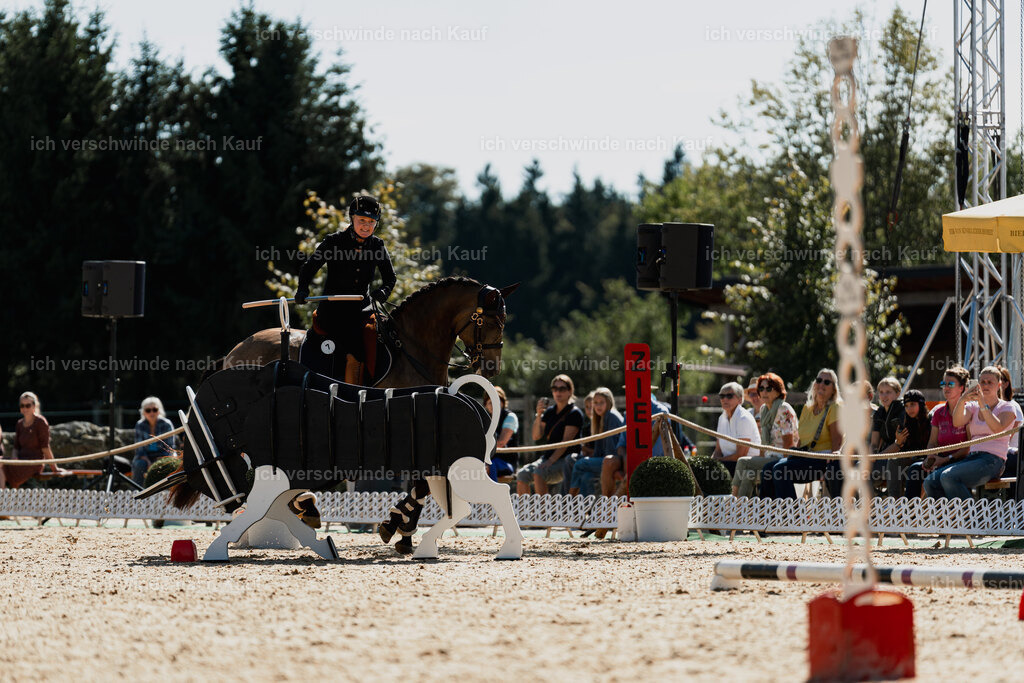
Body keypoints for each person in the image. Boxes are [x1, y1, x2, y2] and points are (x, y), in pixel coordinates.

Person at [295, 195, 396, 383]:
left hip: (361, 310)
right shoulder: (334, 241)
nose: (366, 226)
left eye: (371, 222)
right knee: (355, 348)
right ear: (352, 219)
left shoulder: (377, 245)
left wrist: (383, 292)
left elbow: (390, 278)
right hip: (333, 310)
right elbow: (309, 267)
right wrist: (302, 289)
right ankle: (350, 395)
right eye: (362, 221)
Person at [924, 365, 1016, 500]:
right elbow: (957, 421)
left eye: (990, 382)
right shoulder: (974, 406)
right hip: (973, 458)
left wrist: (982, 404)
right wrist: (963, 400)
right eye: (982, 382)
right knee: (930, 481)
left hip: (993, 461)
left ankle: (970, 519)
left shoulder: (1008, 407)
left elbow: (997, 428)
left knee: (948, 477)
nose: (985, 385)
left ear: (999, 385)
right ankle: (949, 518)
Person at [769, 369, 845, 498]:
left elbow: (837, 441)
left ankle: (791, 515)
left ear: (833, 389)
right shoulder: (807, 408)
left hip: (821, 460)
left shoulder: (835, 407)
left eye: (827, 382)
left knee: (779, 470)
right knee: (768, 469)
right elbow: (801, 439)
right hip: (804, 456)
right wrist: (792, 456)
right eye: (819, 380)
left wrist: (833, 462)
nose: (821, 384)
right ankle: (767, 514)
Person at [516, 374, 584, 495]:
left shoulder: (574, 413)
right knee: (522, 475)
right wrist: (538, 415)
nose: (558, 392)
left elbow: (565, 443)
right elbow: (536, 436)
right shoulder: (549, 412)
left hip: (567, 460)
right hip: (547, 458)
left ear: (570, 391)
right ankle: (524, 512)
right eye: (555, 388)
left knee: (539, 473)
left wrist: (550, 461)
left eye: (562, 389)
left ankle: (544, 512)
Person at [733, 372, 797, 497]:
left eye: (769, 388)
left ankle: (731, 501)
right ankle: (739, 512)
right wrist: (761, 458)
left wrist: (783, 470)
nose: (764, 392)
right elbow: (763, 443)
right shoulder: (764, 410)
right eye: (761, 389)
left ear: (778, 391)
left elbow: (789, 445)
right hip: (768, 457)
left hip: (781, 460)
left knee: (742, 461)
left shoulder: (784, 409)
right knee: (748, 475)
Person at [569, 387, 624, 496]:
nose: (598, 406)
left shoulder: (611, 416)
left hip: (615, 460)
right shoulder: (600, 418)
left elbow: (611, 451)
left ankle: (569, 500)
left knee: (579, 464)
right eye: (596, 403)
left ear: (608, 402)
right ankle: (586, 509)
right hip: (605, 459)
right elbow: (599, 451)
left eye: (601, 403)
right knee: (586, 476)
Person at [4, 392, 61, 488]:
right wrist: (14, 460)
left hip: (34, 463)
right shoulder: (19, 424)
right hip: (20, 462)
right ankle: (4, 497)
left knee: (1, 467)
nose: (25, 408)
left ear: (34, 406)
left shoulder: (40, 422)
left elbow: (45, 448)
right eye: (22, 406)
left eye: (28, 405)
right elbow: (16, 447)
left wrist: (54, 468)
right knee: (1, 463)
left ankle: (3, 498)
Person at [887, 389, 931, 498]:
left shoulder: (930, 421)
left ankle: (909, 506)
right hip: (911, 459)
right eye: (906, 406)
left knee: (911, 467)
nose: (909, 409)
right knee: (893, 461)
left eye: (912, 404)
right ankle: (895, 502)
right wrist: (899, 441)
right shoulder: (906, 423)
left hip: (928, 459)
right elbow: (903, 449)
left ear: (921, 404)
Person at [711, 382, 760, 477]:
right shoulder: (722, 418)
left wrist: (718, 462)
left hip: (746, 465)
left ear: (740, 399)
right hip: (727, 464)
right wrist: (711, 461)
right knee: (700, 469)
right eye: (722, 396)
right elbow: (718, 450)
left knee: (711, 472)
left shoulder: (743, 418)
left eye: (729, 396)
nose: (725, 399)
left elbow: (740, 455)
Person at [870, 377, 907, 495]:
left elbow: (899, 444)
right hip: (884, 454)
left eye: (888, 392)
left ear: (897, 393)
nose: (884, 396)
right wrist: (872, 454)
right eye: (881, 392)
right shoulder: (879, 413)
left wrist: (879, 456)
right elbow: (874, 443)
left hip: (901, 455)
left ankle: (893, 505)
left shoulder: (902, 411)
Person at [132, 397, 179, 486]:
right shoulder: (140, 425)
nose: (152, 412)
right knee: (139, 464)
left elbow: (169, 448)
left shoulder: (167, 424)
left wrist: (157, 462)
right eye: (148, 410)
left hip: (163, 457)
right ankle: (137, 492)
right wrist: (149, 462)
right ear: (143, 412)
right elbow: (139, 450)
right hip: (145, 458)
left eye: (155, 409)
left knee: (170, 464)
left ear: (159, 411)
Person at [484, 386, 519, 481]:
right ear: (486, 405)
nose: (493, 405)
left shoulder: (510, 417)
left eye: (497, 401)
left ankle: (492, 494)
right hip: (488, 461)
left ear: (503, 403)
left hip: (506, 463)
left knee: (490, 465)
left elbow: (501, 443)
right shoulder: (485, 419)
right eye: (490, 402)